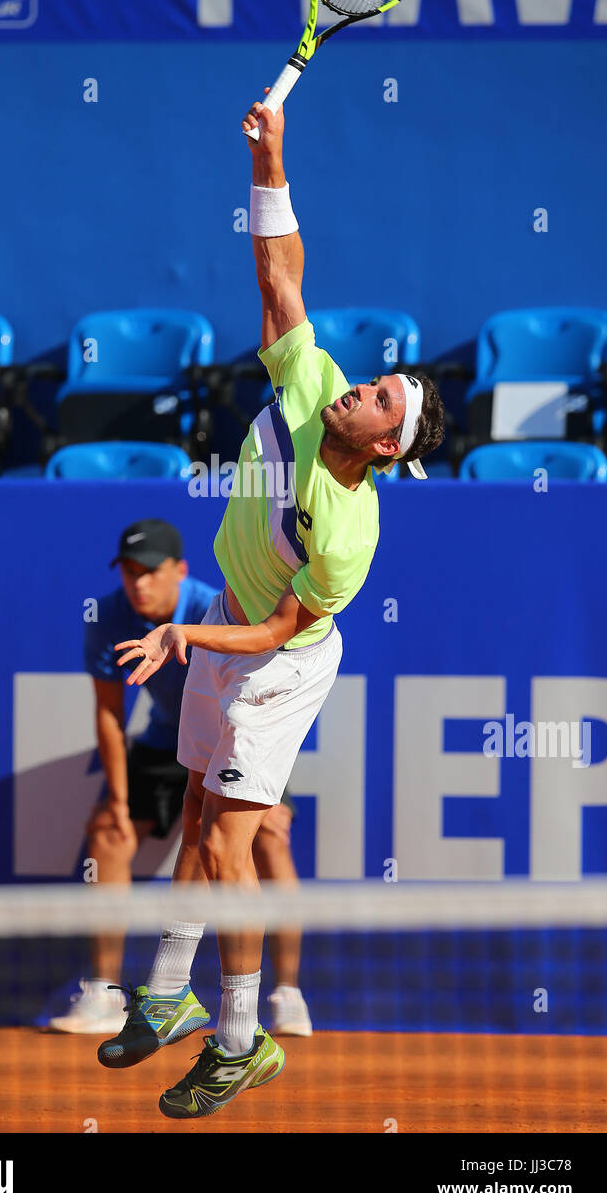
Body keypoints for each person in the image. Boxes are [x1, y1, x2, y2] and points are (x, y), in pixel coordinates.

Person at [97, 99, 445, 1119]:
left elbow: (272, 636)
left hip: (279, 662)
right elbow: (280, 272)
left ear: (386, 446)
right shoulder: (310, 385)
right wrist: (272, 157)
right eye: (370, 383)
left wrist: (183, 628)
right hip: (230, 630)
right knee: (198, 817)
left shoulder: (348, 533)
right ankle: (166, 997)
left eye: (379, 399)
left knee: (224, 846)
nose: (359, 391)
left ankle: (241, 1039)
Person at [48, 517, 312, 1038]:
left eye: (150, 572)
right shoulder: (109, 615)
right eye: (129, 572)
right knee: (107, 834)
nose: (138, 583)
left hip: (238, 734)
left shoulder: (215, 608)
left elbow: (260, 700)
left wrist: (266, 794)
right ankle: (104, 994)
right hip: (165, 744)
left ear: (179, 571)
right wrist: (120, 803)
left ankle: (287, 993)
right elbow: (110, 715)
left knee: (271, 842)